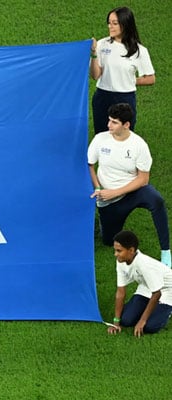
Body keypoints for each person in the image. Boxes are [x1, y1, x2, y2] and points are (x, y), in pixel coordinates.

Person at [87, 103, 170, 266]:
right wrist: (97, 187)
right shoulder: (100, 140)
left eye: (114, 122)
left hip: (132, 192)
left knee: (156, 200)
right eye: (109, 120)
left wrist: (116, 191)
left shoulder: (139, 145)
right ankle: (104, 224)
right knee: (109, 240)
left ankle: (166, 252)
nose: (108, 125)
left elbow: (143, 179)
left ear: (126, 125)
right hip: (108, 199)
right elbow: (90, 165)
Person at [90, 6, 155, 134]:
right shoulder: (102, 45)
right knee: (102, 136)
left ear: (125, 24)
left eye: (115, 23)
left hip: (125, 99)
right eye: (109, 23)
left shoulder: (139, 50)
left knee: (124, 137)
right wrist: (93, 54)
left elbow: (151, 78)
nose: (110, 26)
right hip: (102, 97)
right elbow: (95, 75)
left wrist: (129, 80)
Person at [107, 230, 172, 337]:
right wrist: (116, 322)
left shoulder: (144, 265)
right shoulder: (121, 261)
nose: (115, 254)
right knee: (126, 320)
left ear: (131, 250)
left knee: (150, 327)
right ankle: (147, 308)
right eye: (115, 250)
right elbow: (120, 292)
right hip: (146, 288)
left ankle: (167, 310)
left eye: (119, 251)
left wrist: (142, 321)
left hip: (167, 291)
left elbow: (157, 293)